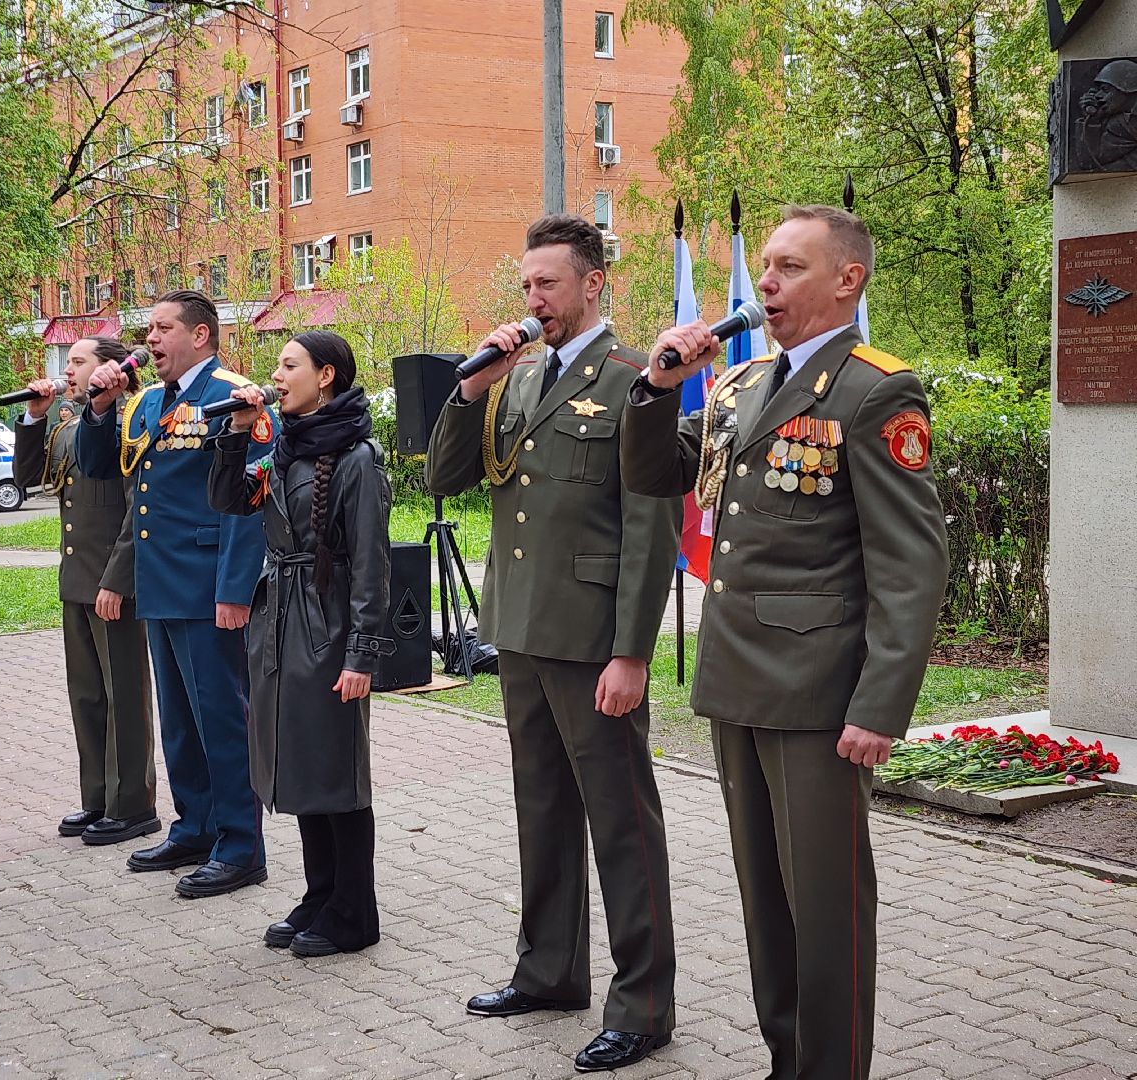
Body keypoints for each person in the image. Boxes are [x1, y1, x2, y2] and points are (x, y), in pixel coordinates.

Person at [621, 205, 948, 1080]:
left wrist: (880, 705)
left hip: (817, 696)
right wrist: (655, 388)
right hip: (739, 684)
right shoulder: (739, 385)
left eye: (790, 267)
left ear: (848, 280)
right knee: (766, 904)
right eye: (764, 266)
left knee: (826, 908)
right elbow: (656, 473)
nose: (765, 282)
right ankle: (786, 1060)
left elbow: (912, 564)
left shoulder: (876, 389)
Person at [424, 214, 684, 1073]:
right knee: (541, 810)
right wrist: (470, 389)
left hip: (591, 639)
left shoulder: (630, 381)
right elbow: (444, 478)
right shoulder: (518, 380)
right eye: (526, 284)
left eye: (549, 284)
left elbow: (650, 525)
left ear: (593, 284)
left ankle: (643, 1004)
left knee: (621, 822)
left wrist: (633, 651)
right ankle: (549, 972)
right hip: (521, 631)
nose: (533, 300)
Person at [77, 291, 274, 898]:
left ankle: (241, 845)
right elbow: (101, 470)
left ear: (202, 336)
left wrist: (236, 587)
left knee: (221, 718)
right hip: (160, 584)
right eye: (149, 328)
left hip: (209, 585)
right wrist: (101, 408)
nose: (151, 339)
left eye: (164, 328)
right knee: (180, 722)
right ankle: (195, 825)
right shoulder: (145, 403)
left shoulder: (234, 396)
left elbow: (251, 498)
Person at [208, 330, 393, 958]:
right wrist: (234, 433)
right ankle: (321, 894)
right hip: (282, 623)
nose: (276, 376)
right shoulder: (284, 445)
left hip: (330, 624)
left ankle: (354, 911)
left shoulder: (357, 459)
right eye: (277, 366)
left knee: (337, 771)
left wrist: (362, 655)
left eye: (289, 365)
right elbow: (228, 498)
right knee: (303, 765)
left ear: (328, 376)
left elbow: (372, 564)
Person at [12, 337, 158, 846]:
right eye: (67, 362)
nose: (67, 370)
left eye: (78, 362)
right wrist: (34, 417)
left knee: (125, 696)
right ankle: (97, 796)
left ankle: (133, 804)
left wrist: (116, 581)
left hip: (114, 584)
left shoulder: (131, 424)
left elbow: (136, 512)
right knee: (88, 696)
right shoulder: (72, 426)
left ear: (110, 370)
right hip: (78, 581)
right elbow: (26, 478)